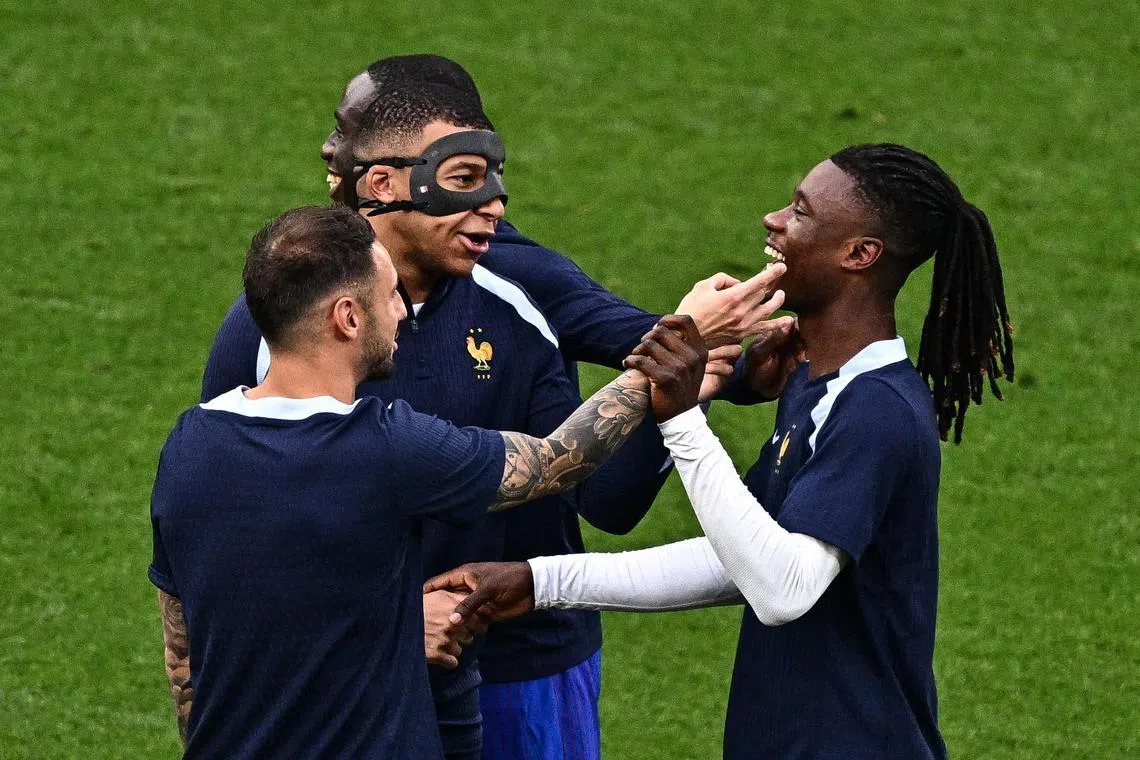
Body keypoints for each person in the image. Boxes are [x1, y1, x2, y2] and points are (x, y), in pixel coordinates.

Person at [200, 58, 788, 760]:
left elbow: (611, 487)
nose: (496, 205)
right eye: (462, 181)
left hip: (528, 668)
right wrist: (386, 624)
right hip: (359, 672)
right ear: (382, 184)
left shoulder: (518, 289)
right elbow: (231, 541)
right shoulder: (276, 327)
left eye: (491, 178)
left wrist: (708, 378)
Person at [427, 144, 1016, 759]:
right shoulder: (814, 385)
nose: (774, 220)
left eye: (801, 212)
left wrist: (682, 417)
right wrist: (538, 581)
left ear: (859, 254)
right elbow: (744, 558)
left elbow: (784, 588)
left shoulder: (876, 411)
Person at [150, 205, 705, 758]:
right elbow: (558, 458)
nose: (401, 312)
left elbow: (184, 649)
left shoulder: (189, 446)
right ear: (348, 317)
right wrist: (664, 361)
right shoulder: (387, 448)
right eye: (391, 295)